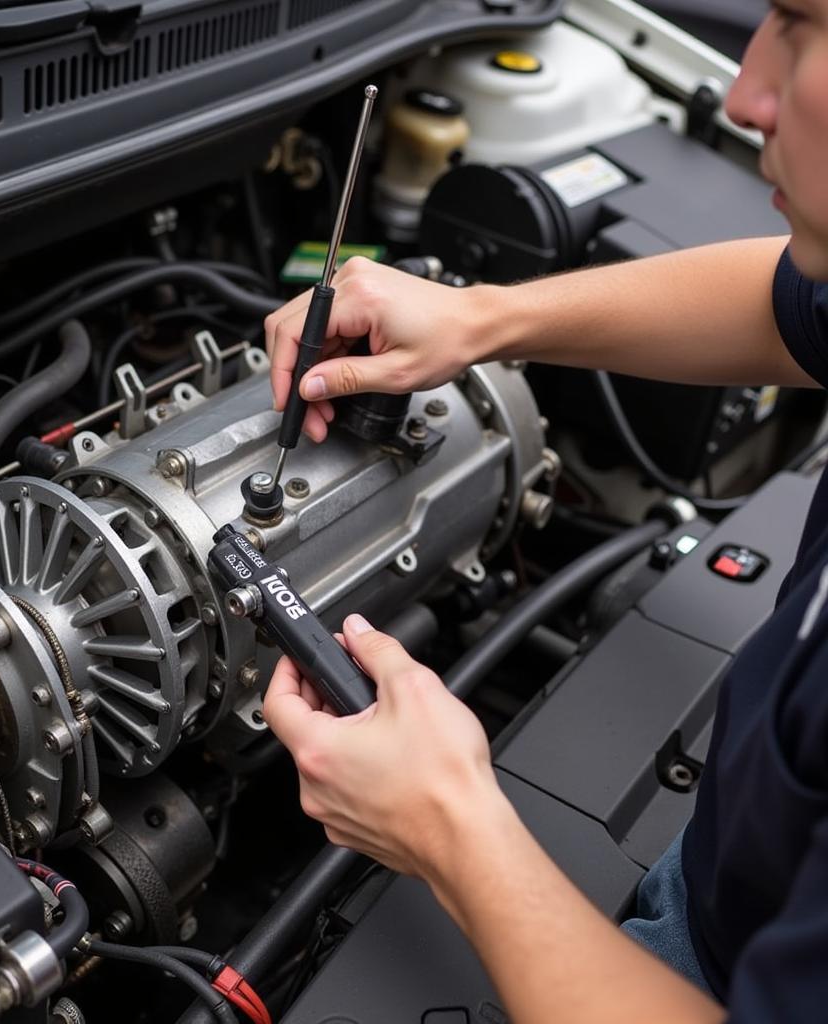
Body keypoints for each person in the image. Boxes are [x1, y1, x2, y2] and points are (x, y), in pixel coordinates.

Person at [261, 2, 828, 1021]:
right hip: (729, 876)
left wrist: (447, 827)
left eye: (801, 22)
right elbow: (791, 308)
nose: (745, 94)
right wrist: (480, 318)